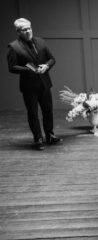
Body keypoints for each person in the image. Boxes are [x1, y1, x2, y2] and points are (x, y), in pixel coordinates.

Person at [7, 18, 62, 150]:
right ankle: (38, 138)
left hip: (45, 83)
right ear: (18, 32)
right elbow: (12, 67)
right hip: (29, 86)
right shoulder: (13, 47)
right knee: (33, 113)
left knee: (48, 111)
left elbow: (52, 59)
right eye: (24, 30)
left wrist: (46, 66)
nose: (28, 31)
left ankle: (50, 135)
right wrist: (30, 70)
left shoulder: (41, 41)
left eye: (29, 28)